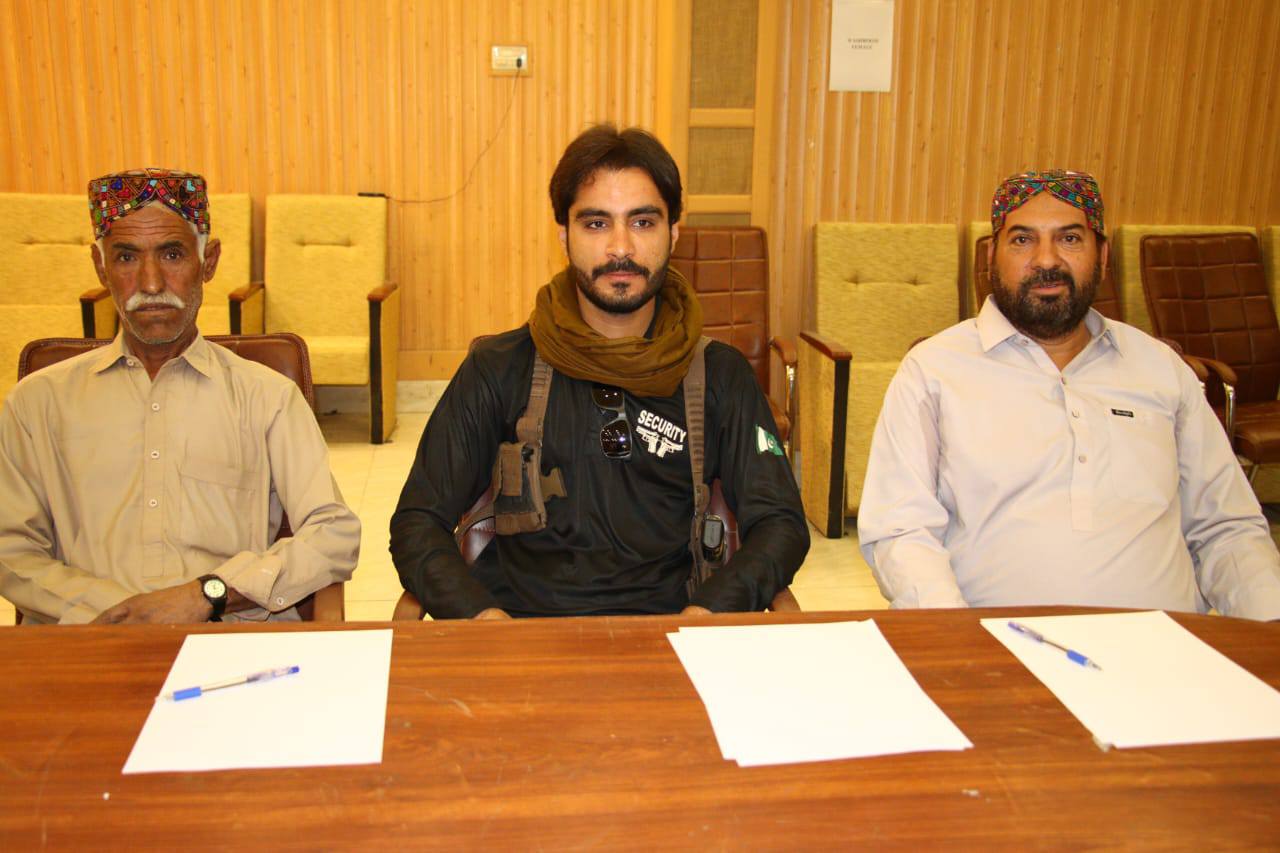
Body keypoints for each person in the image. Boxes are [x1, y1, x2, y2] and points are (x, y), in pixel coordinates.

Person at [391, 125, 808, 618]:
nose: (620, 247)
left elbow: (780, 523)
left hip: (673, 628)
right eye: (595, 224)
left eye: (643, 222)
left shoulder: (719, 374)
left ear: (673, 232)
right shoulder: (499, 367)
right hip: (520, 629)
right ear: (564, 236)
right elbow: (418, 521)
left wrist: (709, 612)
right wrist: (482, 618)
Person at [858, 169, 1280, 620]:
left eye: (1070, 239)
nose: (1047, 260)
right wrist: (957, 637)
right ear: (992, 257)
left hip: (1168, 644)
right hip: (996, 643)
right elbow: (901, 529)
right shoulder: (934, 370)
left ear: (1103, 256)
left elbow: (1226, 527)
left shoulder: (1161, 369)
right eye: (1023, 240)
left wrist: (1270, 626)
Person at [0, 168, 360, 624]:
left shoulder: (267, 397)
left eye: (172, 254)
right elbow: (10, 547)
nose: (150, 283)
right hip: (87, 640)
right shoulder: (37, 403)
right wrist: (118, 612)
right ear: (100, 266)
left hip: (226, 641)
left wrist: (208, 594)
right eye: (126, 257)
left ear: (208, 262)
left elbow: (333, 534)